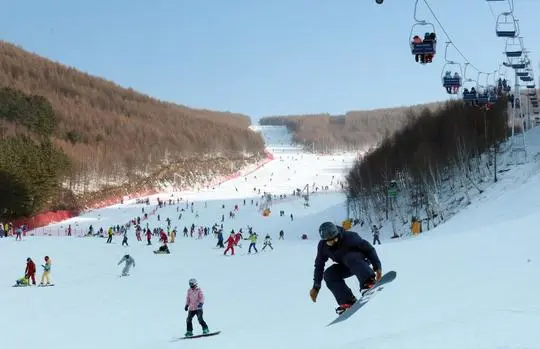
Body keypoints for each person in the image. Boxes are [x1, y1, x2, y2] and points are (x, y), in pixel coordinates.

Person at [309, 222, 382, 315]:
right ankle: (348, 301)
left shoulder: (350, 237)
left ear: (337, 234)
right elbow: (319, 266)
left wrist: (377, 267)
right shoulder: (323, 246)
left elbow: (369, 249)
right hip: (345, 266)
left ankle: (369, 282)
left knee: (349, 257)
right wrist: (316, 287)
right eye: (329, 241)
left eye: (334, 239)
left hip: (361, 262)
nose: (333, 242)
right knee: (329, 274)